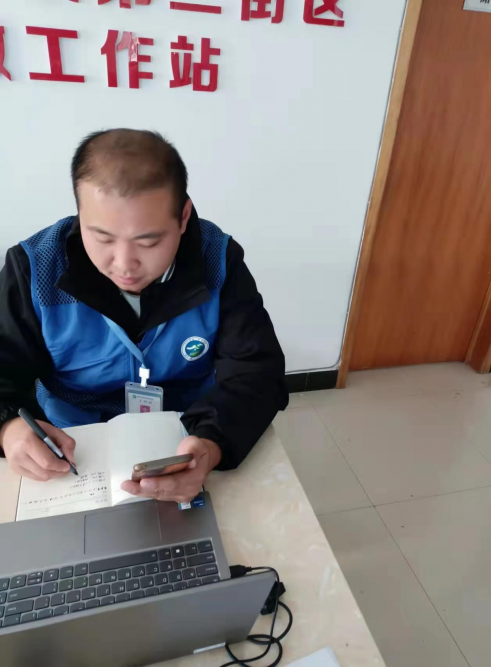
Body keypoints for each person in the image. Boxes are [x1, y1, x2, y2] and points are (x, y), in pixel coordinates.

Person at [0, 129, 288, 503]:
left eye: (149, 241)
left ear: (183, 217)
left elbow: (256, 372)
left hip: (184, 435)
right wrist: (7, 428)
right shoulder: (34, 269)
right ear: (80, 214)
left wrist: (210, 446)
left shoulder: (219, 262)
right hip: (72, 445)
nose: (124, 265)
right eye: (102, 238)